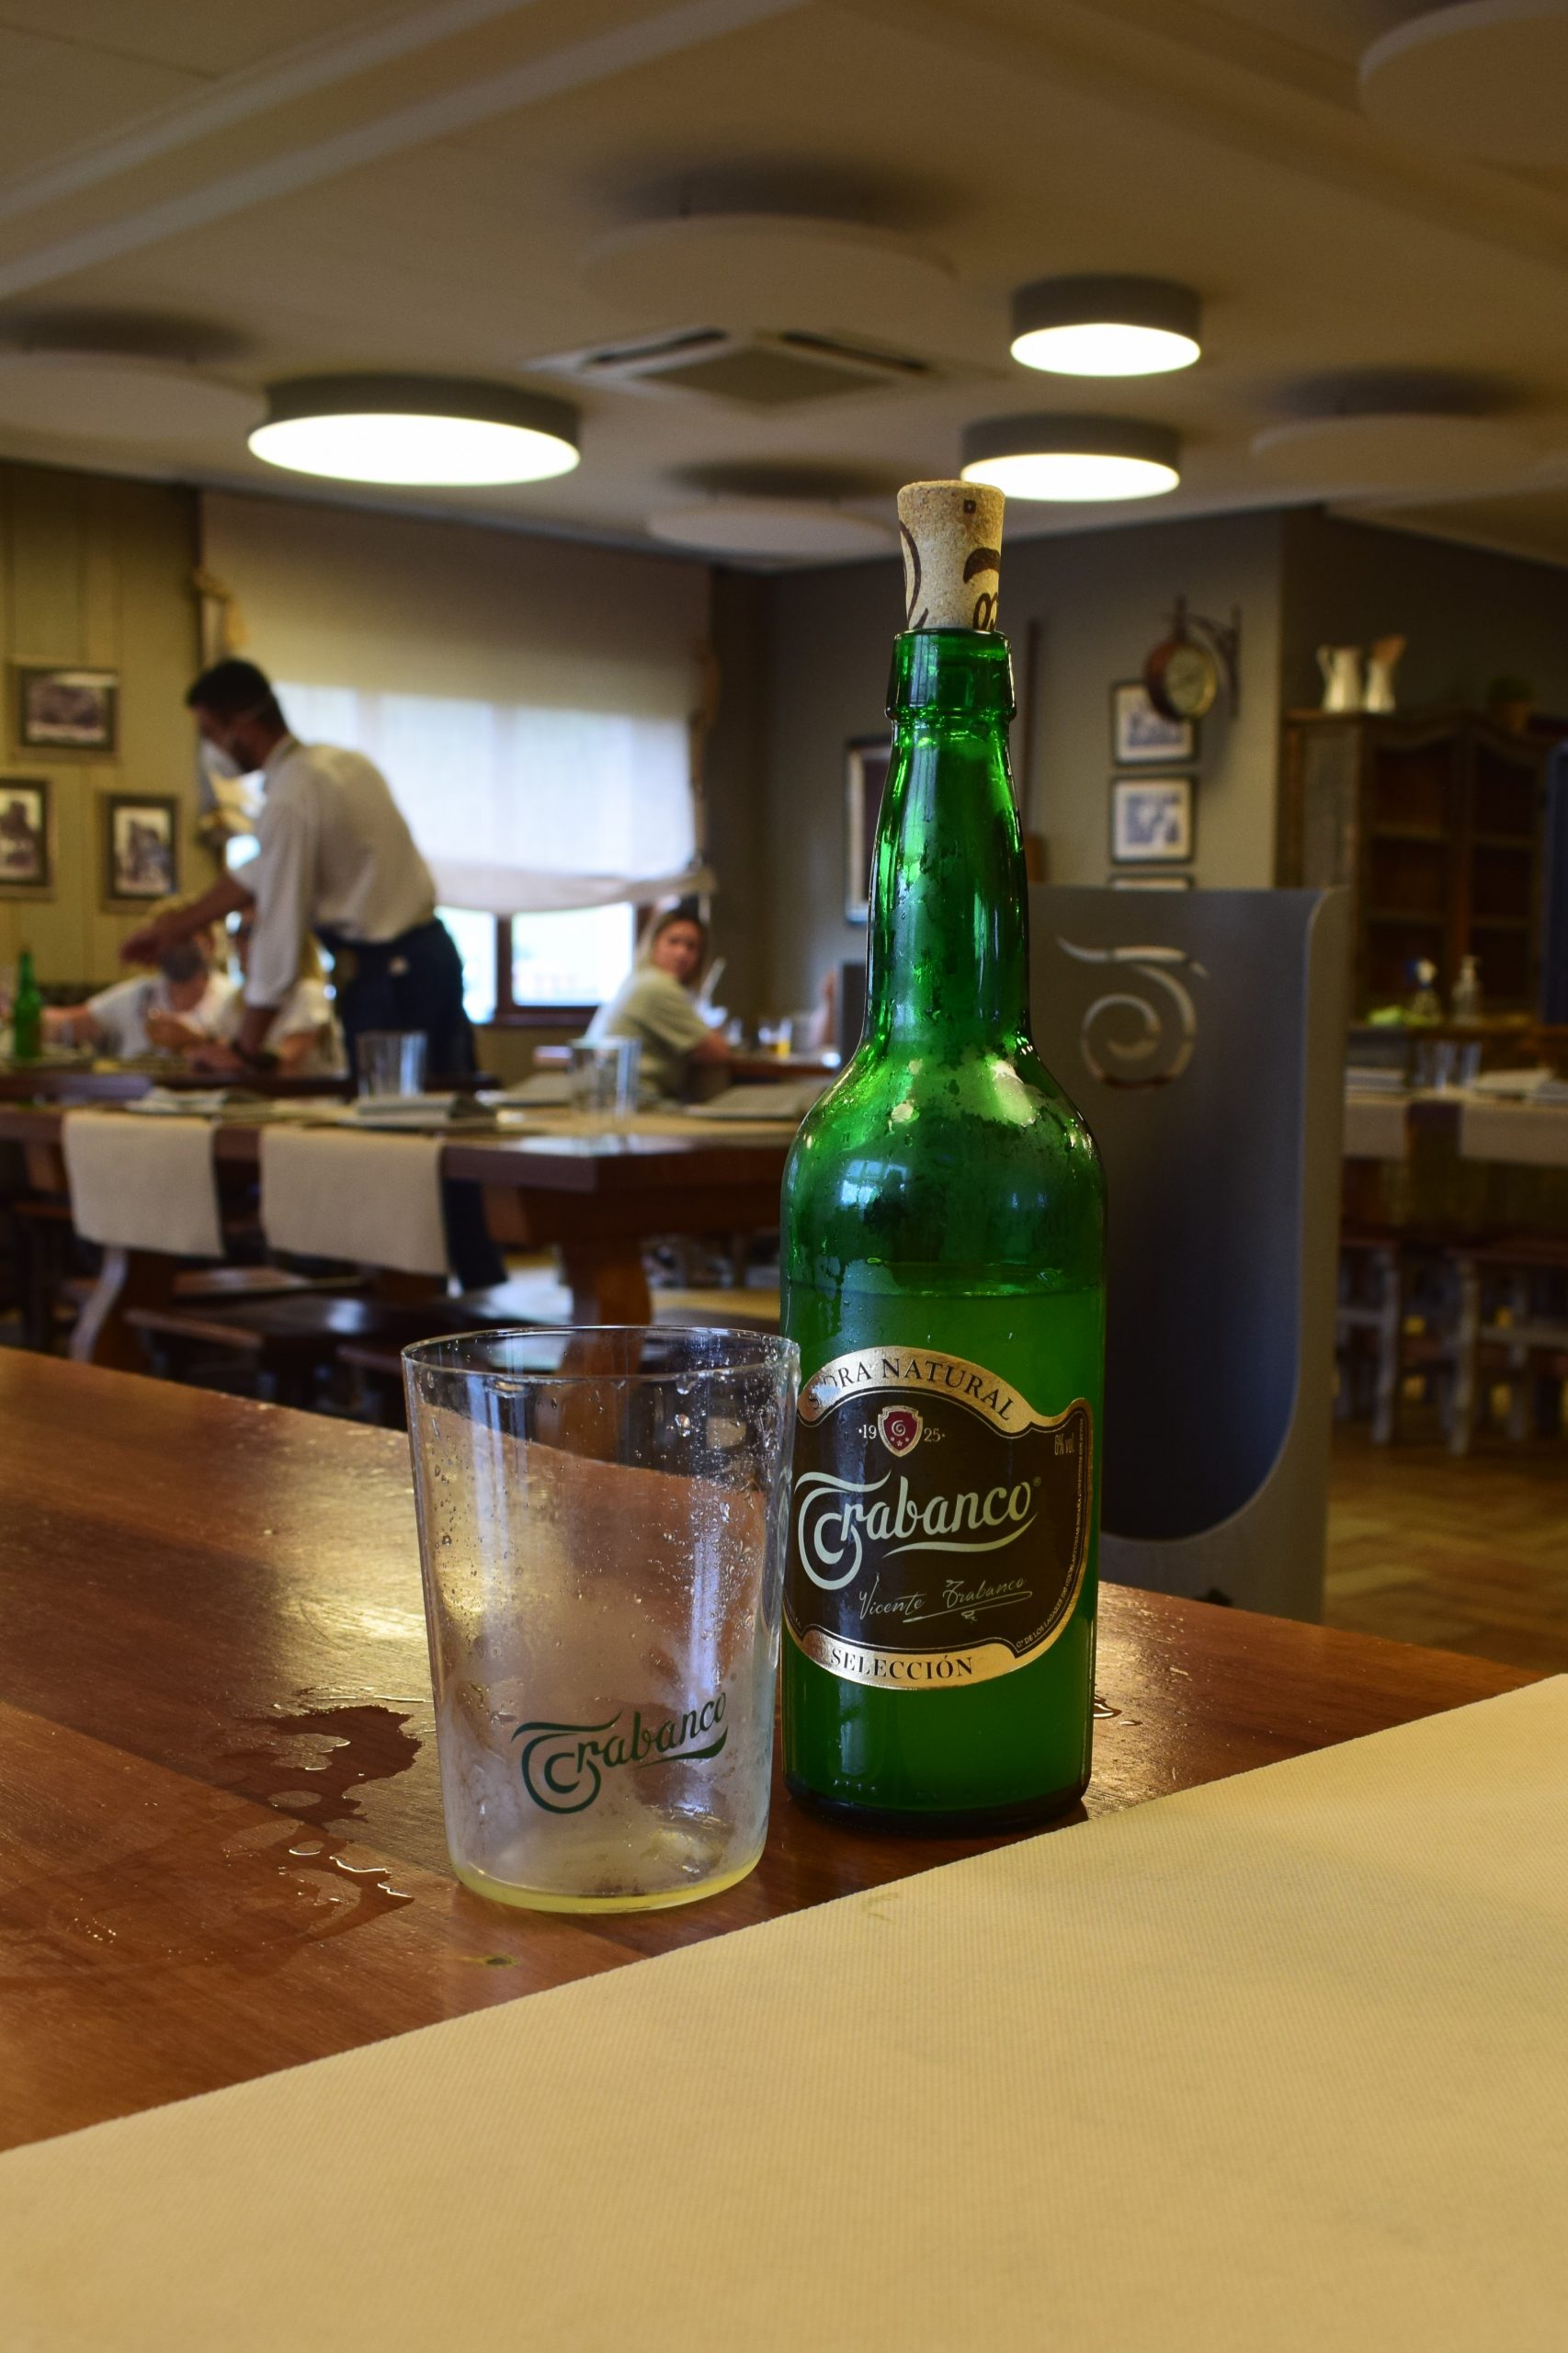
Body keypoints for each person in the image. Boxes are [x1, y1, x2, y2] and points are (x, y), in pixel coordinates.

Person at [121, 659, 503, 1285]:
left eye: (210, 732)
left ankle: (415, 1298)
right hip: (425, 959)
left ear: (241, 725)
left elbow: (278, 925)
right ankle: (457, 1286)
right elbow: (255, 876)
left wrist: (245, 1051)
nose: (211, 749)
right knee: (442, 1131)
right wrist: (174, 926)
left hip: (392, 977)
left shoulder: (292, 799)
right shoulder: (339, 766)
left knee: (403, 1145)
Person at [45, 905, 233, 1058]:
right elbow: (68, 1024)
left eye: (181, 938)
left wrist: (196, 1040)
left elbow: (244, 1058)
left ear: (210, 942)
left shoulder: (232, 999)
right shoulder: (139, 995)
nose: (171, 947)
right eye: (163, 940)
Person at [586, 906, 730, 1100]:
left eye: (691, 946)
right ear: (653, 943)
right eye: (673, 942)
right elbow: (717, 1052)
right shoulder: (658, 987)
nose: (681, 953)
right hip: (633, 1101)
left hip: (607, 1096)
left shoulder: (640, 978)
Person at [187, 917, 343, 1079]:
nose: (236, 943)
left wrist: (234, 1057)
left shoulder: (308, 992)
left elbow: (287, 1061)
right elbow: (213, 1048)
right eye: (235, 934)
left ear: (286, 941)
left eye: (248, 933)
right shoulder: (238, 998)